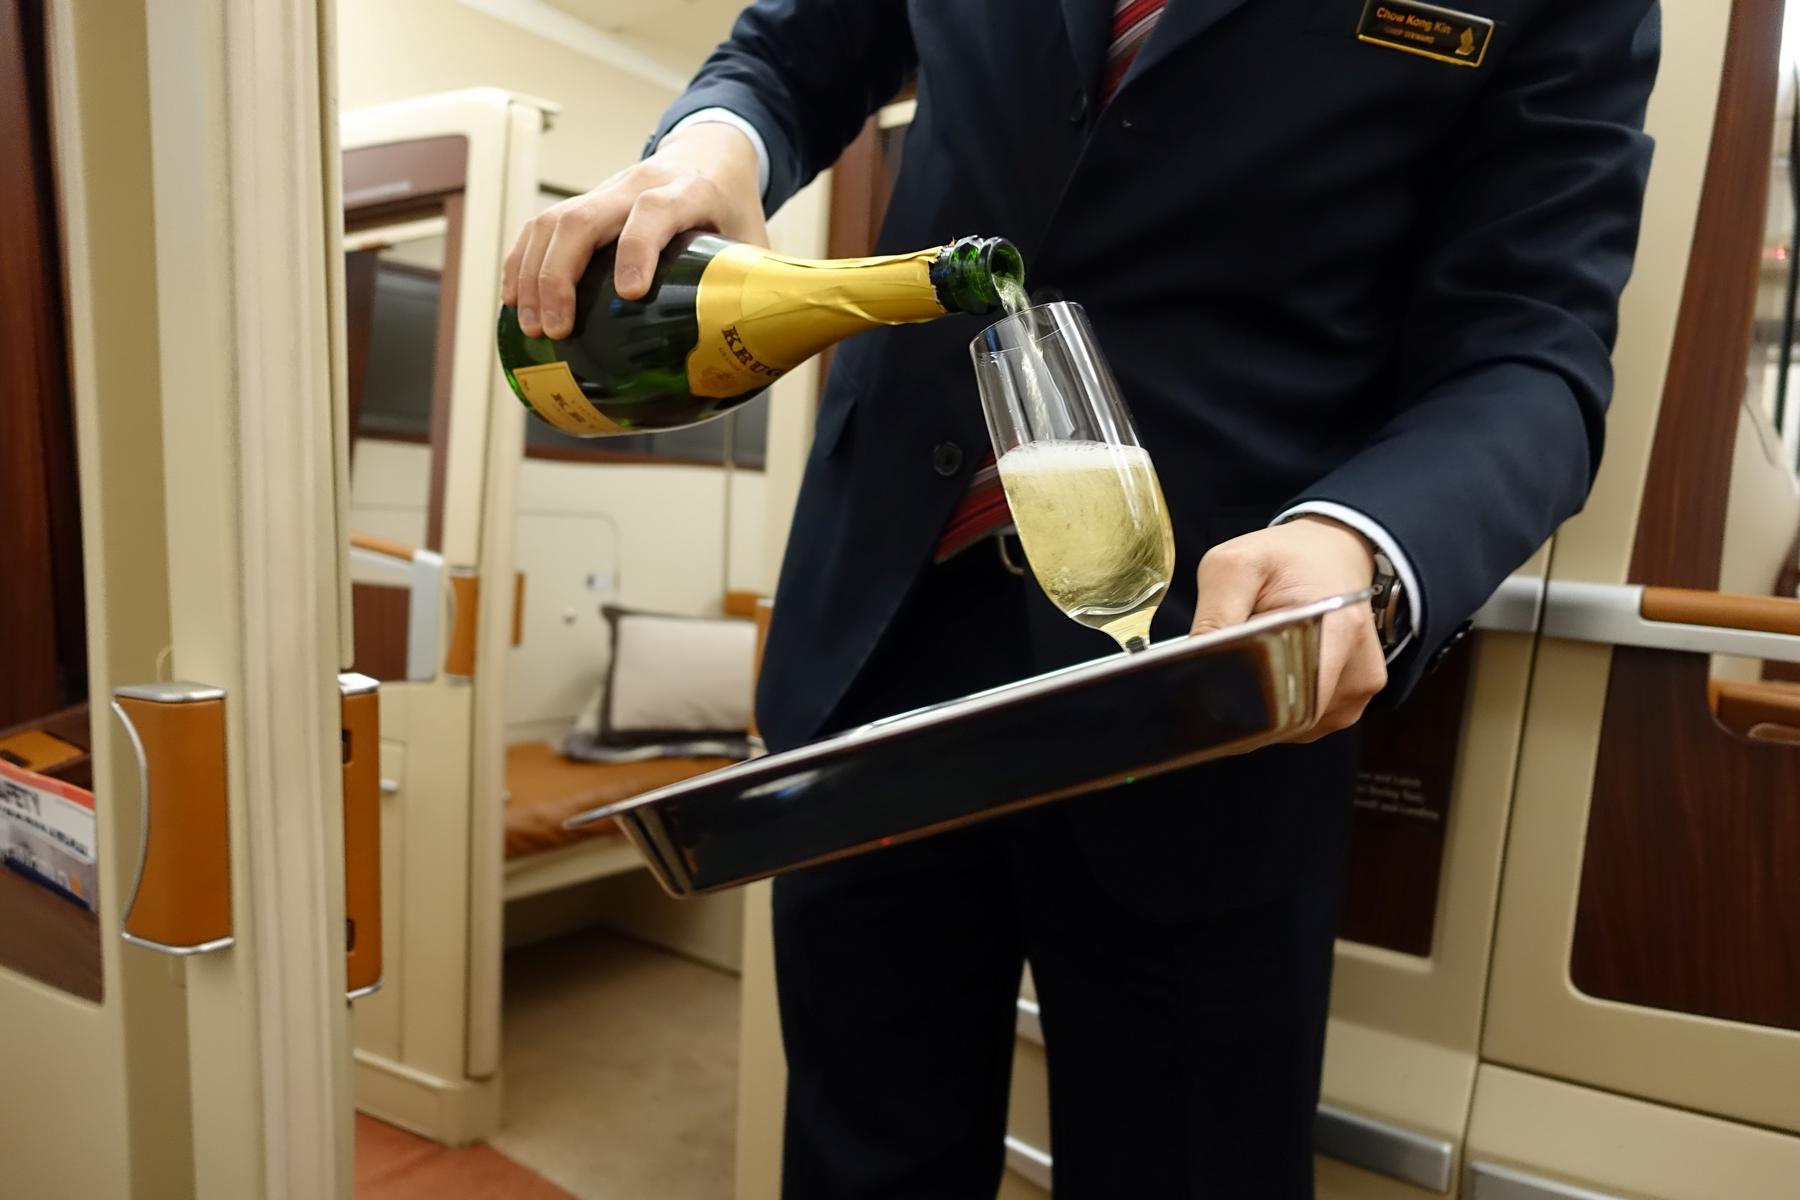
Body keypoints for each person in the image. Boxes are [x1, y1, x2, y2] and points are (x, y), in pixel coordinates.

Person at [502, 1, 1660, 1194]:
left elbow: (1533, 350)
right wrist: (709, 152)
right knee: (858, 1160)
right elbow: (792, 53)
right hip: (881, 641)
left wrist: (1361, 539)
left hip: (1207, 674)